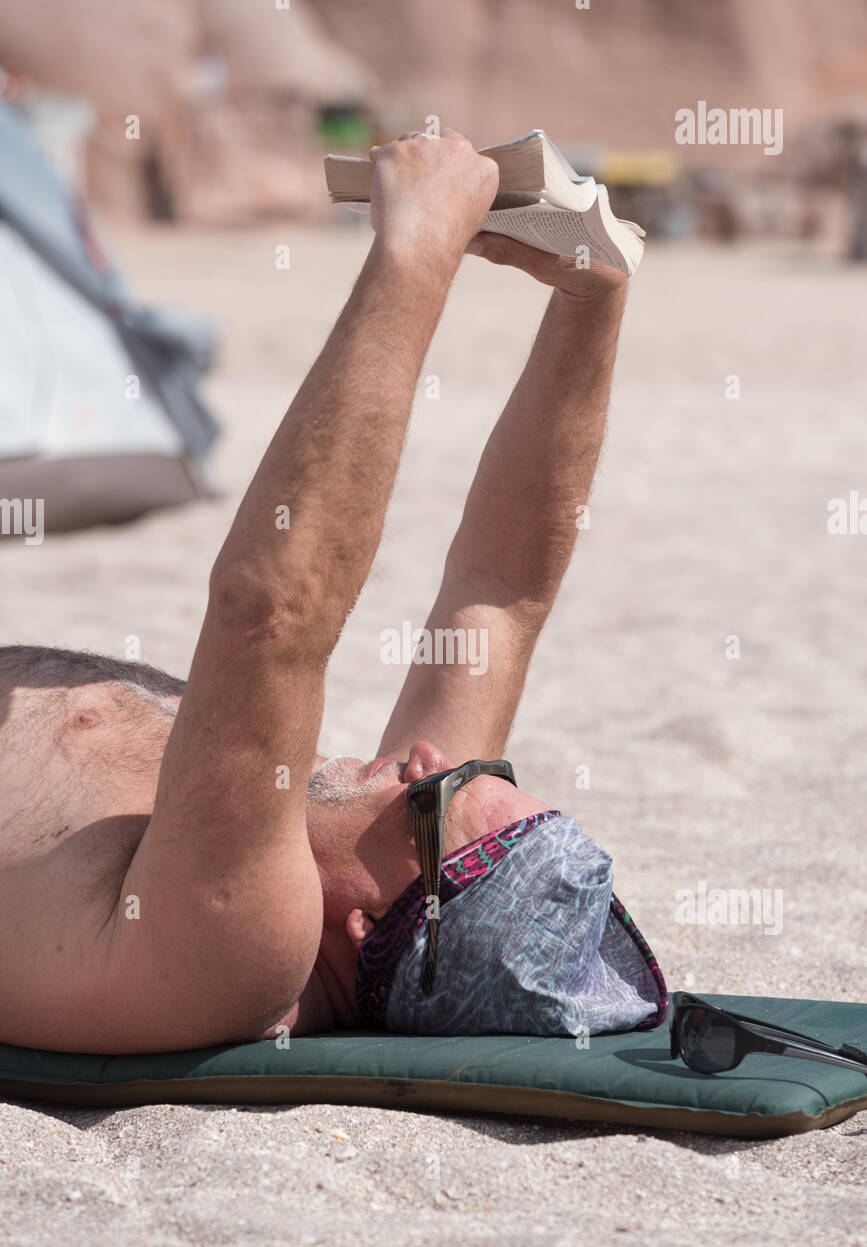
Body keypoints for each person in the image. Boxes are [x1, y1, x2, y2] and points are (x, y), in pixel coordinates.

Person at [0, 129, 665, 1054]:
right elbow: (500, 591)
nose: (428, 756)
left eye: (432, 796)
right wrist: (595, 293)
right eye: (477, 773)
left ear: (370, 929)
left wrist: (414, 258)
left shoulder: (244, 952)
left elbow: (266, 615)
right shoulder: (381, 842)